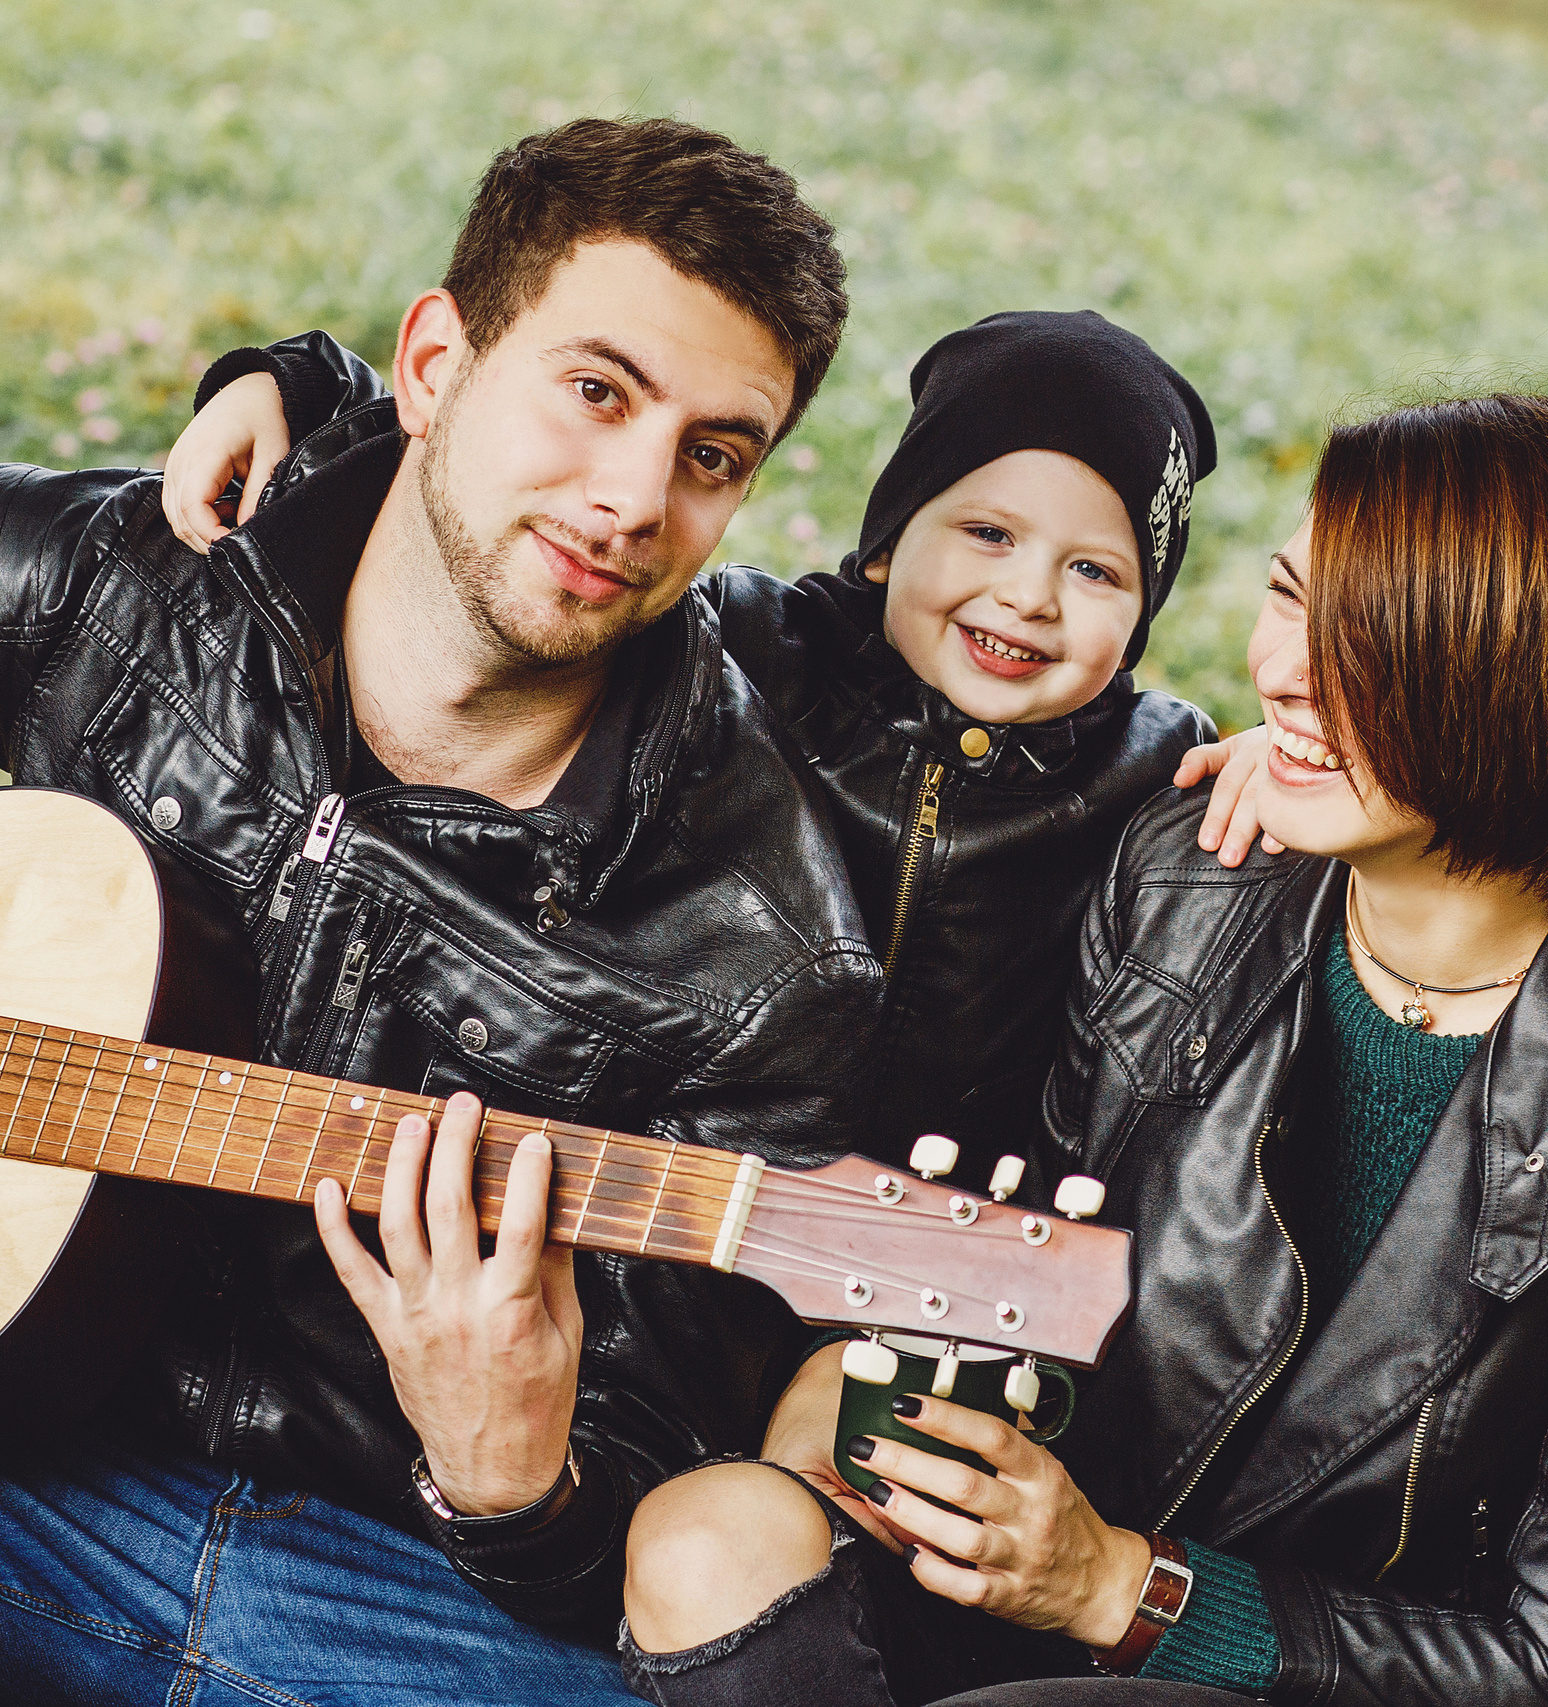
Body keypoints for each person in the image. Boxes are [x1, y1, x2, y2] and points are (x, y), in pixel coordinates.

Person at [0, 119, 879, 1707]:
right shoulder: (135, 588)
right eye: (597, 392)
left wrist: (516, 1478)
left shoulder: (765, 950)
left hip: (377, 1602)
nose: (633, 496)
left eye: (714, 455)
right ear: (434, 360)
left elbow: (636, 1504)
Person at [613, 394, 1548, 1705]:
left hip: (1326, 1670)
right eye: (1290, 596)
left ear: (1528, 688)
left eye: (1370, 646)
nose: (1287, 671)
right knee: (710, 1537)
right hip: (1044, 1579)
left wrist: (1126, 1587)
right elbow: (1043, 1255)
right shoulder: (1200, 870)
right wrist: (854, 1373)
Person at [168, 308, 1224, 1190]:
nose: (1029, 595)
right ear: (890, 538)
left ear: (1139, 623)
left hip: (934, 1237)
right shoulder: (750, 647)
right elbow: (459, 465)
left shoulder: (1150, 772)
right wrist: (295, 385)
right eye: (988, 535)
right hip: (667, 1184)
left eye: (1095, 572)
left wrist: (1274, 762)